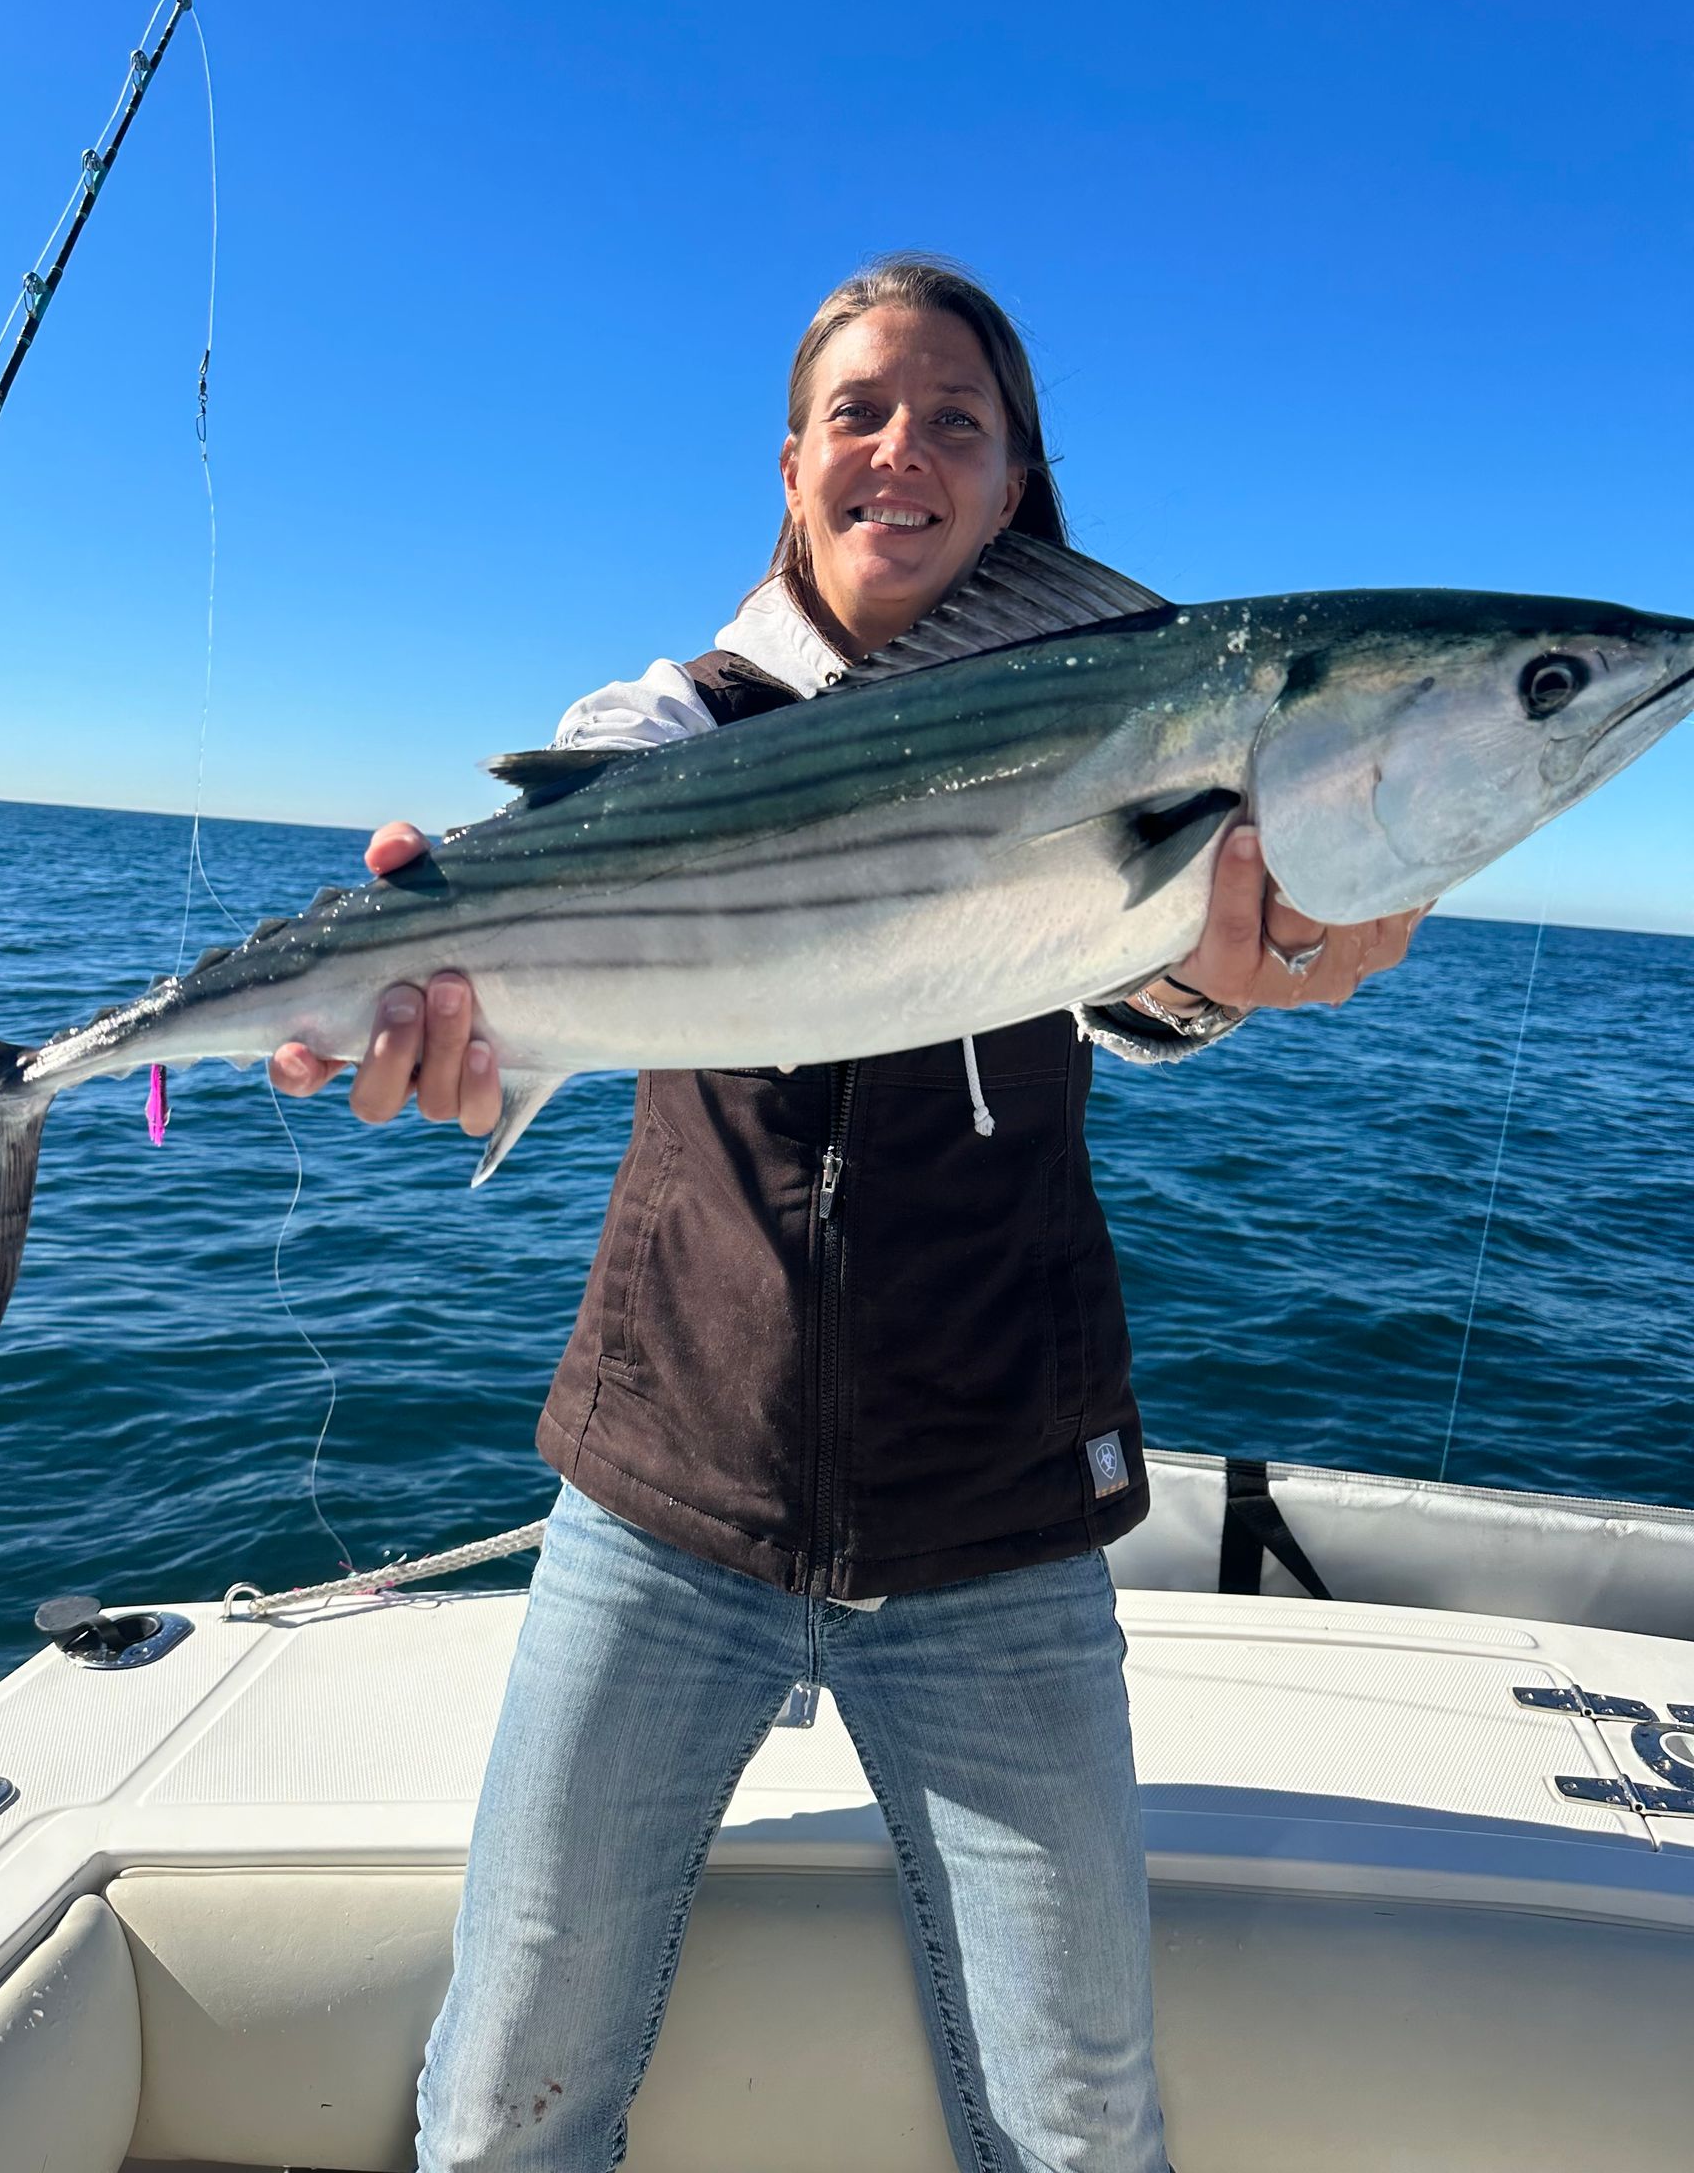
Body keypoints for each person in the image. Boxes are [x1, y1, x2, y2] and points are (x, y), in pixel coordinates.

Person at [272, 258, 1425, 2172]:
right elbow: (538, 920)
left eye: (956, 421)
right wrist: (411, 1006)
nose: (905, 451)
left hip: (1000, 1524)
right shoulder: (663, 721)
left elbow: (1154, 990)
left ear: (1017, 481)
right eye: (861, 415)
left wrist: (1250, 964)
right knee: (500, 2104)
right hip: (663, 1497)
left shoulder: (1140, 717)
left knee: (1080, 2126)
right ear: (794, 463)